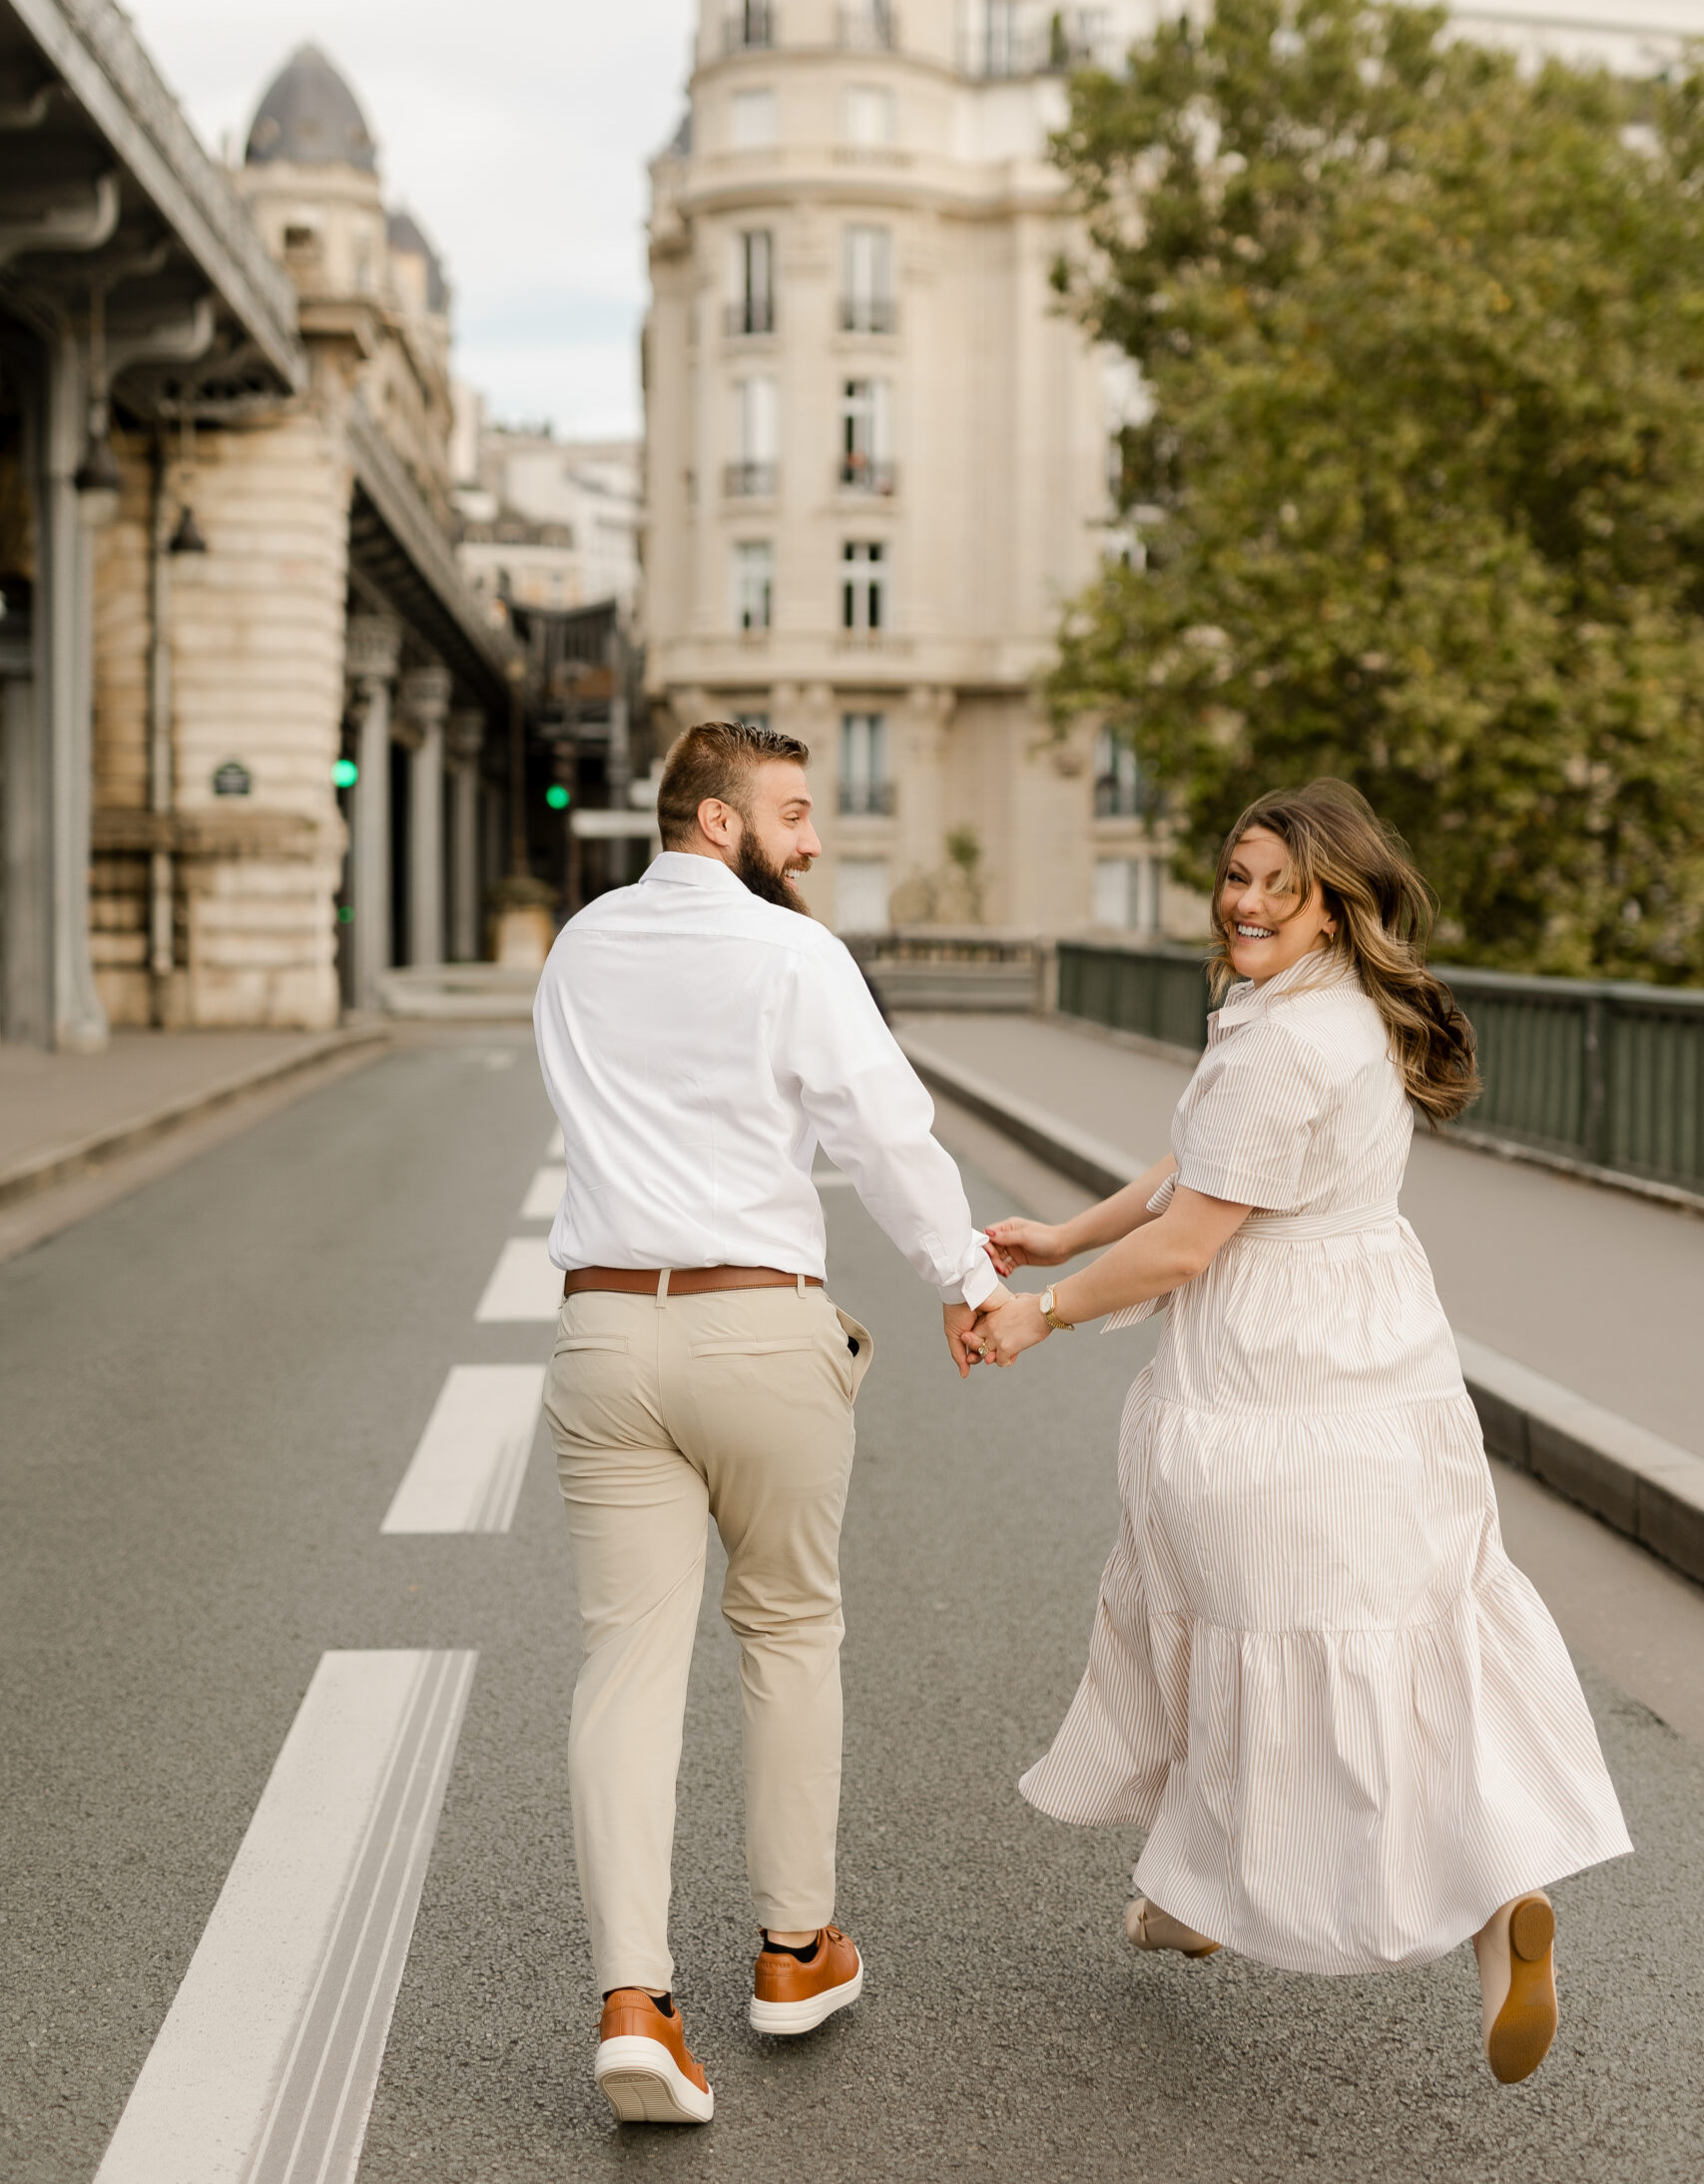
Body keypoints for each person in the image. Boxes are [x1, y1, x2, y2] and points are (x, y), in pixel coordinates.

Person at [970, 780, 1629, 2085]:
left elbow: (1197, 1237)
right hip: (1387, 1369)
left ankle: (1214, 1890)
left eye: (1282, 884)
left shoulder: (1274, 1042)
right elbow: (1196, 1167)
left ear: (1335, 905)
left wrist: (1041, 1313)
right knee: (1425, 1637)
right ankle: (1496, 1911)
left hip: (1266, 1381)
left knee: (1236, 1638)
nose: (1250, 902)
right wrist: (1068, 1229)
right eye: (1237, 875)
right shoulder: (1342, 1016)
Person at [533, 720, 1001, 2125]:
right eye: (794, 814)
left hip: (606, 1330)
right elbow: (880, 1134)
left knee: (625, 1666)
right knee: (789, 1631)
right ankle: (795, 1954)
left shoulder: (578, 948)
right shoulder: (797, 958)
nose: (813, 839)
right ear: (720, 824)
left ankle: (634, 2001)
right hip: (758, 1327)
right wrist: (969, 1281)